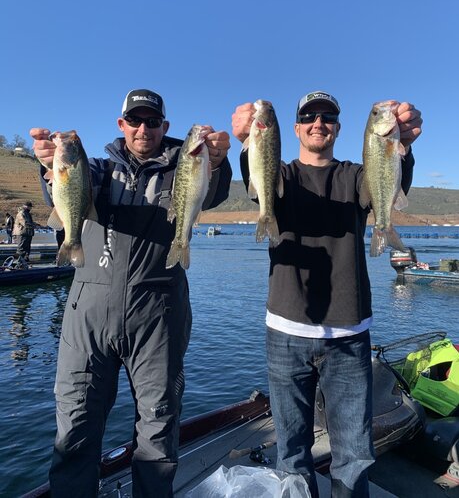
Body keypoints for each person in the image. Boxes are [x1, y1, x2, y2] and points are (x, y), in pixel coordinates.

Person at [30, 88, 232, 498]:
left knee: (158, 429)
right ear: (121, 125)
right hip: (88, 314)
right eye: (135, 121)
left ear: (165, 127)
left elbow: (212, 192)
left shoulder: (185, 171)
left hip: (158, 314)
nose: (144, 129)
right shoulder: (99, 170)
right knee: (76, 424)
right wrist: (50, 165)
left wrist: (217, 159)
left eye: (152, 121)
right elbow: (69, 191)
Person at [232, 91, 422, 497]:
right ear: (297, 128)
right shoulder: (281, 176)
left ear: (338, 128)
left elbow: (387, 181)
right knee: (292, 452)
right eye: (309, 116)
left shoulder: (356, 176)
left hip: (349, 337)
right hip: (285, 332)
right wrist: (247, 144)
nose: (319, 122)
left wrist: (403, 148)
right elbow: (257, 179)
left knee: (353, 454)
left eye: (328, 117)